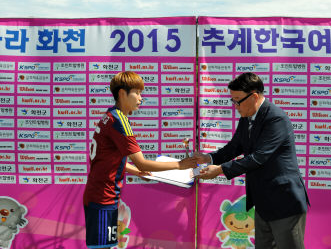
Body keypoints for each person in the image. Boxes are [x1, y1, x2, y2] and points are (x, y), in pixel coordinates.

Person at [194, 72, 310, 249]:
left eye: (238, 100)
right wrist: (209, 158)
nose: (235, 105)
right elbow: (234, 147)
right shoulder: (247, 117)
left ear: (254, 96)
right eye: (233, 100)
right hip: (263, 202)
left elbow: (259, 157)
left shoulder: (275, 118)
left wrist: (220, 170)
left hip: (285, 202)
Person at [83, 71, 197, 249]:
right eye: (137, 92)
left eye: (141, 93)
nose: (140, 98)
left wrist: (136, 172)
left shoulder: (110, 115)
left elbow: (111, 159)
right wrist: (180, 165)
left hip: (102, 195)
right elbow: (142, 162)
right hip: (103, 198)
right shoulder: (120, 121)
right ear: (122, 93)